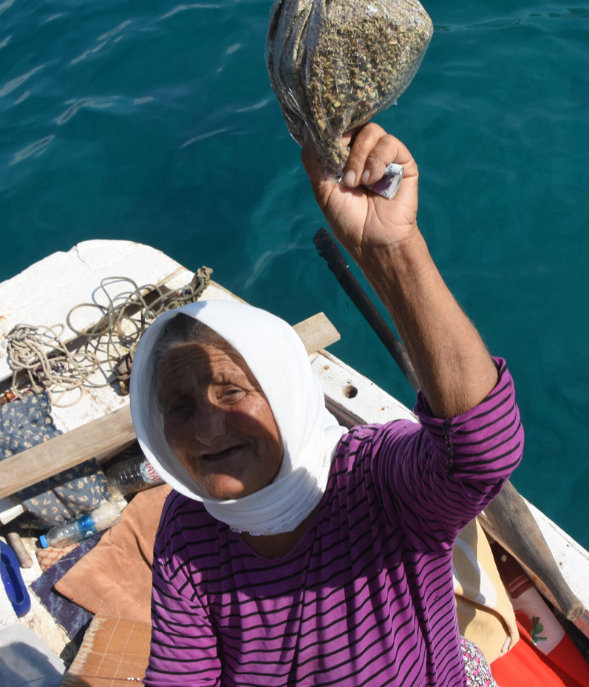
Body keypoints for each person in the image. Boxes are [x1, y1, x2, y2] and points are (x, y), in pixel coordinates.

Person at [130, 124, 524, 686]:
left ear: (287, 393)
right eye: (181, 406)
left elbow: (483, 450)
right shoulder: (188, 530)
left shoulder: (373, 479)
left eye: (233, 390)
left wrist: (394, 251)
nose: (208, 429)